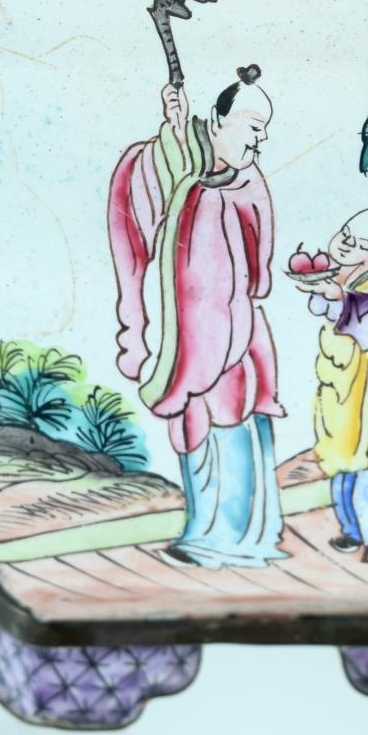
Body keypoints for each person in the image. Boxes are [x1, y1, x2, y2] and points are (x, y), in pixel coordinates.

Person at [106, 64, 287, 568]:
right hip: (181, 332)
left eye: (264, 131)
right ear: (218, 121)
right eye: (253, 127)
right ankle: (203, 529)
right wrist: (175, 129)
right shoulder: (181, 167)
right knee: (190, 422)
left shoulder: (246, 182)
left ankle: (238, 536)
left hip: (233, 328)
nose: (260, 140)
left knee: (233, 412)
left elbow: (259, 264)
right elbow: (151, 202)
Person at [299, 208, 368, 564]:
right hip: (338, 376)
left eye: (361, 244)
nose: (346, 245)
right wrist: (326, 291)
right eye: (345, 235)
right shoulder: (346, 276)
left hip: (367, 378)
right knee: (340, 449)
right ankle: (351, 527)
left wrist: (339, 298)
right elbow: (326, 310)